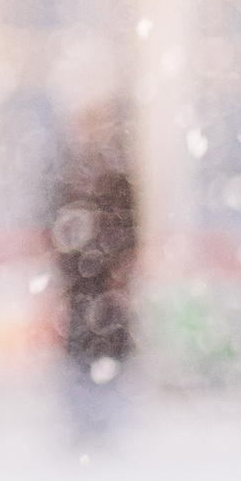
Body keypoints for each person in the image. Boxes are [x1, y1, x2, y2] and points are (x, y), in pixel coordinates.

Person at [45, 98, 139, 446]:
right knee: (79, 358)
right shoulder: (67, 172)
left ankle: (106, 431)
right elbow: (52, 227)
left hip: (105, 289)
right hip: (80, 289)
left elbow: (129, 230)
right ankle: (84, 429)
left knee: (107, 356)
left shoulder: (115, 175)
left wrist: (118, 272)